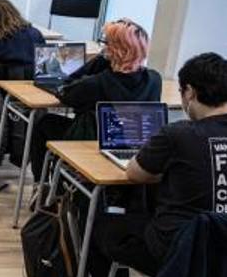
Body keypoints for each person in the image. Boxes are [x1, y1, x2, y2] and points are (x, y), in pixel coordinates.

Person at [84, 52, 227, 277]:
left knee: (99, 223)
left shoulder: (178, 134)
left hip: (182, 252)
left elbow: (135, 174)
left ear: (190, 92)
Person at [28, 18, 162, 179]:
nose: (102, 46)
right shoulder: (155, 79)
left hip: (92, 145)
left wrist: (99, 61)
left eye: (106, 42)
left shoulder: (98, 83)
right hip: (135, 149)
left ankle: (41, 186)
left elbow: (65, 92)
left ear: (116, 49)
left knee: (45, 123)